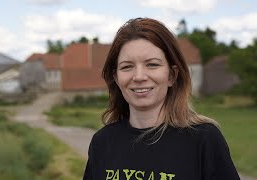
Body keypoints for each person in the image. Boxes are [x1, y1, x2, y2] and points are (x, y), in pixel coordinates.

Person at [83, 18, 240, 180]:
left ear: (172, 75)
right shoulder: (102, 143)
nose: (139, 76)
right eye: (127, 66)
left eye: (152, 64)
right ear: (116, 77)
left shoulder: (204, 140)